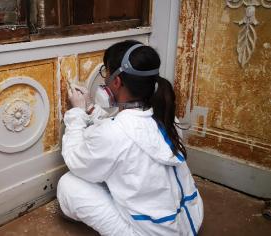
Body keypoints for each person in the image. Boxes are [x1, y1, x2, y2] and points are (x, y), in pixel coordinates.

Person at [57, 40, 204, 236]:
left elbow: (76, 160)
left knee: (69, 185)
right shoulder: (166, 116)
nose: (105, 79)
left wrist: (76, 113)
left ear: (116, 82)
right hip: (191, 219)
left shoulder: (115, 133)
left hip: (155, 233)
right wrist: (91, 109)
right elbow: (127, 129)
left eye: (107, 73)